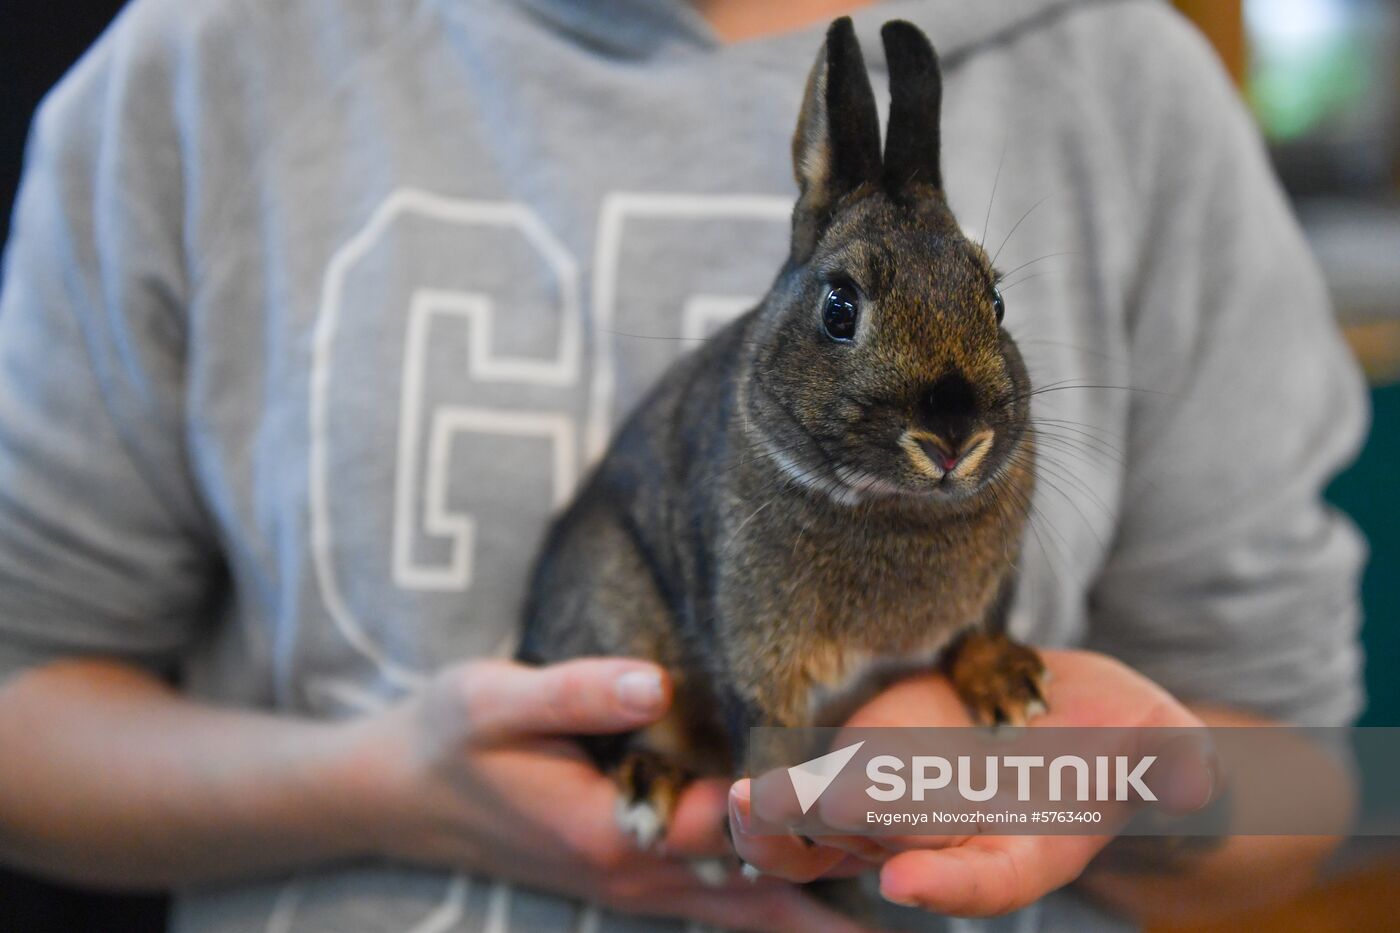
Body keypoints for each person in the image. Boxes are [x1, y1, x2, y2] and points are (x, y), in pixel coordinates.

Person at [0, 0, 1368, 931]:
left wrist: (1095, 780)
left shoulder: (1124, 75)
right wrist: (392, 791)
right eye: (848, 312)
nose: (951, 408)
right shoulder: (204, 63)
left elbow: (1313, 791)